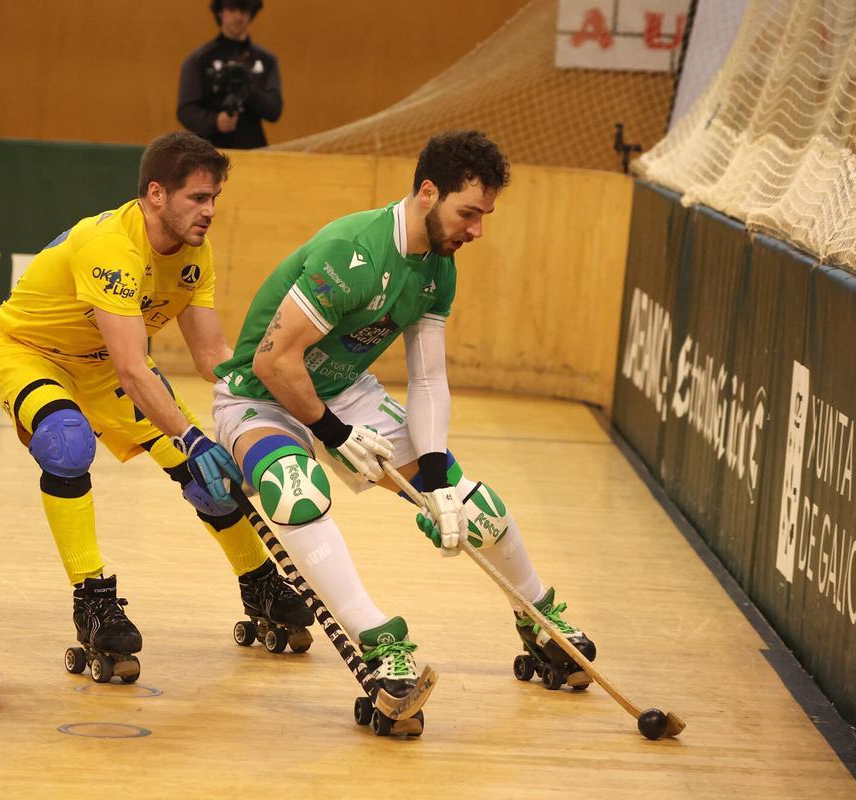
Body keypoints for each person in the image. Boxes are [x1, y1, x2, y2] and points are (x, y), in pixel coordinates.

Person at [211, 130, 597, 702]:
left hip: (345, 392)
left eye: (485, 216)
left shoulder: (439, 268)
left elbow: (428, 379)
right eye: (469, 213)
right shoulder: (353, 251)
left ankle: (537, 615)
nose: (477, 230)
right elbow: (273, 362)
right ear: (428, 192)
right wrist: (333, 433)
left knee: (474, 508)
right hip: (260, 397)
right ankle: (376, 638)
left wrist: (436, 479)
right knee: (295, 490)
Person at [0, 132, 311, 681]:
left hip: (104, 366)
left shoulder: (195, 253)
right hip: (32, 353)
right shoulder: (110, 245)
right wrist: (192, 437)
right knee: (67, 444)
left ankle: (259, 583)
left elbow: (212, 356)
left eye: (214, 198)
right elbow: (134, 369)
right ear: (157, 194)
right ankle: (92, 600)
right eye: (197, 198)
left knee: (206, 477)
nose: (209, 211)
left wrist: (276, 396)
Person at [177, 0, 282, 150]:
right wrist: (215, 121)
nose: (238, 17)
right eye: (232, 9)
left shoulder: (266, 60)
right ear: (220, 11)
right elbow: (186, 110)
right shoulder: (200, 59)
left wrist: (248, 91)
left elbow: (274, 111)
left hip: (253, 151)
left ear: (251, 13)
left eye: (244, 10)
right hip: (210, 151)